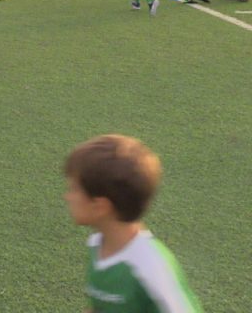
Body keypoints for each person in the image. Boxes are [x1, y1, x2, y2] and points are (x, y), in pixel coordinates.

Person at [63, 134, 202, 312]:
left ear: (100, 206)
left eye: (74, 189)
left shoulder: (150, 264)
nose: (67, 196)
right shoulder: (97, 244)